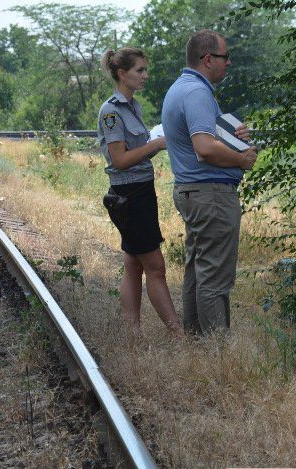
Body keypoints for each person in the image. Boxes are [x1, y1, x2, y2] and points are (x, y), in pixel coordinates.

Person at [161, 30, 256, 335]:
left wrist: (233, 136)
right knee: (215, 277)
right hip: (211, 194)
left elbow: (206, 139)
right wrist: (241, 159)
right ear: (207, 59)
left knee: (197, 272)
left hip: (193, 191)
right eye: (225, 57)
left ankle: (196, 344)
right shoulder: (197, 93)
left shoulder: (180, 88)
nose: (229, 63)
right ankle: (217, 354)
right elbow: (204, 147)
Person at [97, 47, 184, 340]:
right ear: (122, 73)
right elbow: (119, 160)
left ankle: (132, 336)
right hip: (129, 195)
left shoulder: (133, 106)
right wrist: (155, 145)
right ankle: (178, 334)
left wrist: (151, 145)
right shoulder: (111, 111)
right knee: (156, 268)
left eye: (145, 70)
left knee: (134, 264)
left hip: (141, 191)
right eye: (140, 70)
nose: (145, 75)